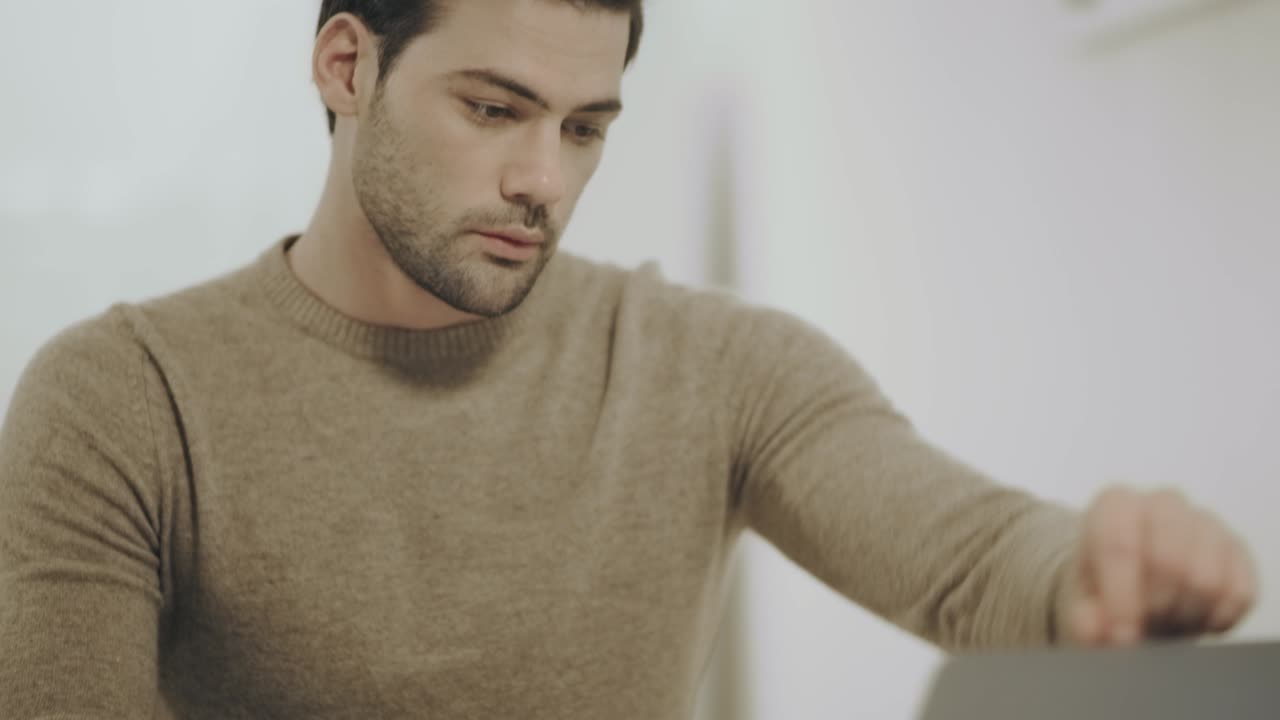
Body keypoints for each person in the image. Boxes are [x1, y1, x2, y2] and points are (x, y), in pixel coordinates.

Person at [0, 1, 1258, 718]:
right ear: (345, 66)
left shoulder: (712, 367)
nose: (542, 180)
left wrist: (1098, 568)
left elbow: (981, 563)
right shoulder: (120, 401)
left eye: (584, 127)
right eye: (492, 109)